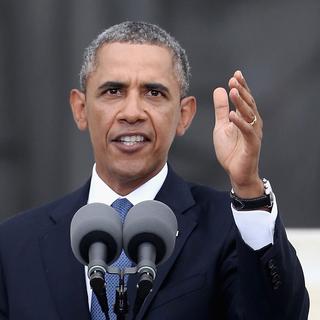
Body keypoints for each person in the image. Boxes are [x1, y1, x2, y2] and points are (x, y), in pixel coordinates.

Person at [0, 21, 309, 320]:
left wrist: (248, 188)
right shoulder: (14, 245)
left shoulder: (228, 228)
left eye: (154, 93)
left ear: (184, 115)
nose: (132, 112)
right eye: (113, 91)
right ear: (80, 109)